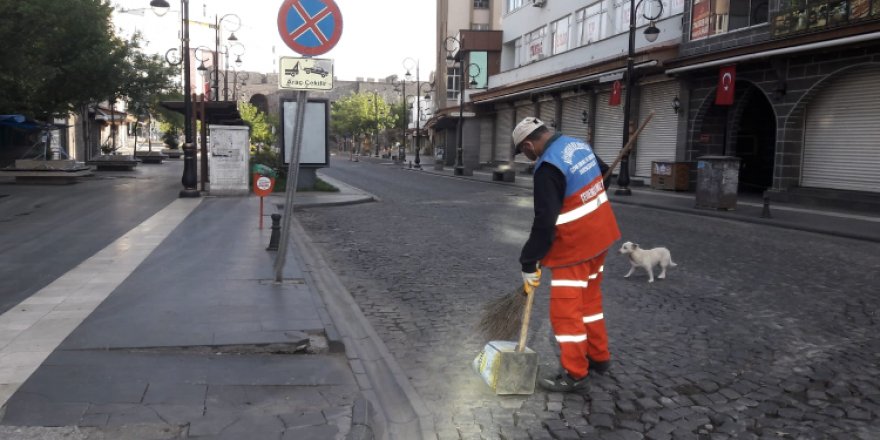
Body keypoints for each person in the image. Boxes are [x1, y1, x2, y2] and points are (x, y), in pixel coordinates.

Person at [513, 116, 621, 392]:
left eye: (523, 152)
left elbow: (545, 220)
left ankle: (575, 373)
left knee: (565, 313)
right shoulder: (577, 144)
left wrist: (529, 260)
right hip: (602, 236)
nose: (526, 157)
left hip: (575, 247)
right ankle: (599, 358)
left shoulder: (547, 167)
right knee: (590, 303)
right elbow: (605, 173)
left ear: (528, 145)